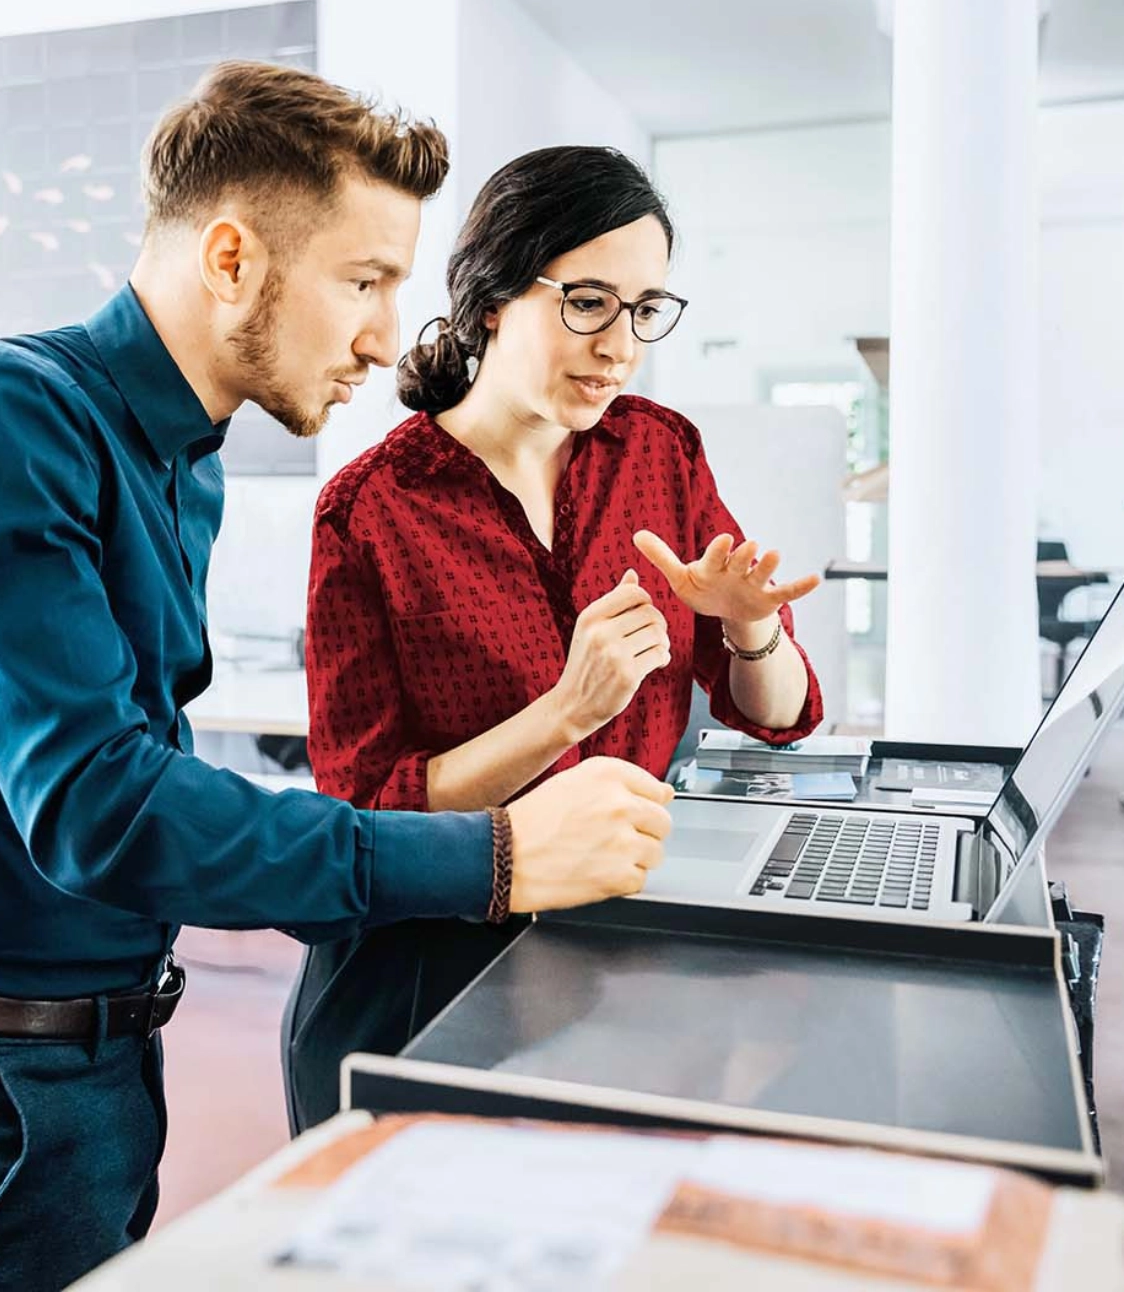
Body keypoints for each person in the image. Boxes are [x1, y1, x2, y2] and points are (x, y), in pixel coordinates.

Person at [0, 64, 676, 1292]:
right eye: (363, 281)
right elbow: (99, 804)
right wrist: (494, 857)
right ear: (230, 259)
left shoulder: (186, 461)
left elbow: (152, 782)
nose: (385, 335)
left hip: (95, 1056)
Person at [285, 145, 824, 1130]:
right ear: (491, 296)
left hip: (619, 962)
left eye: (645, 308)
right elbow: (364, 811)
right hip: (423, 981)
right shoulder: (367, 511)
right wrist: (565, 712)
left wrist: (751, 633)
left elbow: (774, 714)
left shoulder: (659, 451)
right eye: (586, 301)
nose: (620, 345)